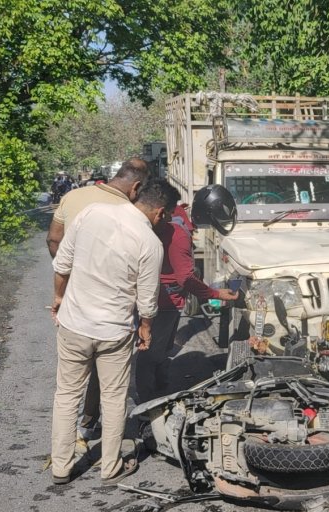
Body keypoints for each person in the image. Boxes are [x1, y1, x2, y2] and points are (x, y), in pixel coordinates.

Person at [49, 179, 178, 485]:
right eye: (169, 215)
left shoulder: (92, 212)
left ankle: (61, 467)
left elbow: (62, 264)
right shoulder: (150, 243)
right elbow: (147, 301)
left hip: (74, 324)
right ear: (160, 212)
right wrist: (146, 330)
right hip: (114, 332)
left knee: (67, 395)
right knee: (114, 396)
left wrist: (59, 298)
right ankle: (110, 467)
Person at [46, 158, 150, 442]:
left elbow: (54, 241)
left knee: (68, 383)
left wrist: (64, 287)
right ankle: (90, 424)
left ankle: (63, 459)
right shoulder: (130, 213)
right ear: (137, 186)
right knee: (107, 374)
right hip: (113, 309)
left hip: (73, 299)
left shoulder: (74, 196)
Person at [134, 185, 238, 404]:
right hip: (164, 302)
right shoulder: (178, 232)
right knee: (150, 354)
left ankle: (161, 390)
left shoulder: (167, 219)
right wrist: (215, 293)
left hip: (152, 297)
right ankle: (148, 403)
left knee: (159, 350)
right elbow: (186, 278)